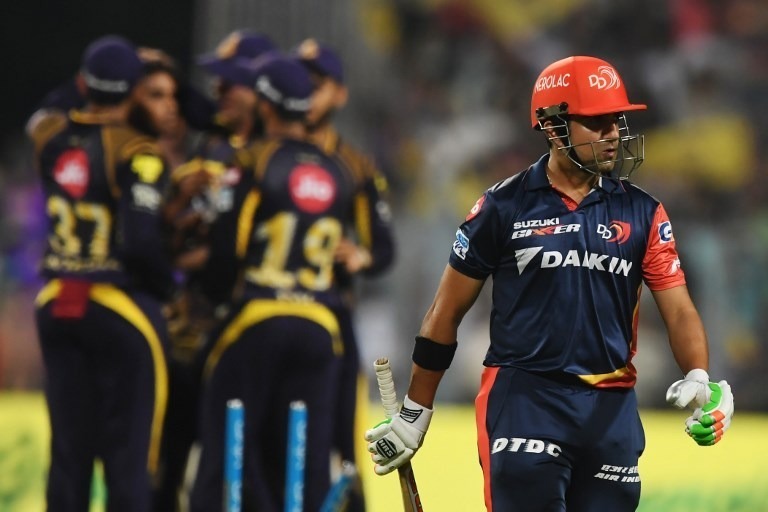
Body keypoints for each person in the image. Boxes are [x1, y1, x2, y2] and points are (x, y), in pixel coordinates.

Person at [364, 55, 735, 511]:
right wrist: (415, 413)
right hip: (524, 401)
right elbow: (445, 313)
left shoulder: (644, 212)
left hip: (611, 409)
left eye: (615, 120)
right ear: (554, 126)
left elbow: (678, 309)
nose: (612, 134)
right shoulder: (501, 206)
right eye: (596, 122)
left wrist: (699, 375)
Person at [189, 54, 355, 512]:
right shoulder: (338, 169)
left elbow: (227, 250)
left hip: (257, 318)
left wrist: (210, 293)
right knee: (305, 464)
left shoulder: (252, 161)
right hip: (320, 326)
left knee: (229, 453)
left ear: (264, 105)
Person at [29, 35, 175, 511]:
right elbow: (140, 242)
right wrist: (165, 289)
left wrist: (93, 76)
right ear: (134, 90)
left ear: (82, 83)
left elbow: (49, 108)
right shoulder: (138, 150)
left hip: (57, 299)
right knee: (128, 457)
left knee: (68, 455)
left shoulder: (49, 136)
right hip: (118, 306)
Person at [151, 32, 279, 511]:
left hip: (246, 332)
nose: (218, 90)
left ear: (259, 90)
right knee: (169, 460)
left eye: (230, 82)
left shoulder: (274, 157)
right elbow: (168, 235)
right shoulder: (210, 148)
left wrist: (202, 257)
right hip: (189, 333)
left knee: (245, 462)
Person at [296, 38, 396, 511]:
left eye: (316, 85)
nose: (305, 93)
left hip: (330, 321)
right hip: (263, 316)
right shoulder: (263, 153)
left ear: (340, 93)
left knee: (338, 445)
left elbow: (385, 249)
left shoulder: (355, 167)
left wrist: (362, 256)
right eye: (298, 82)